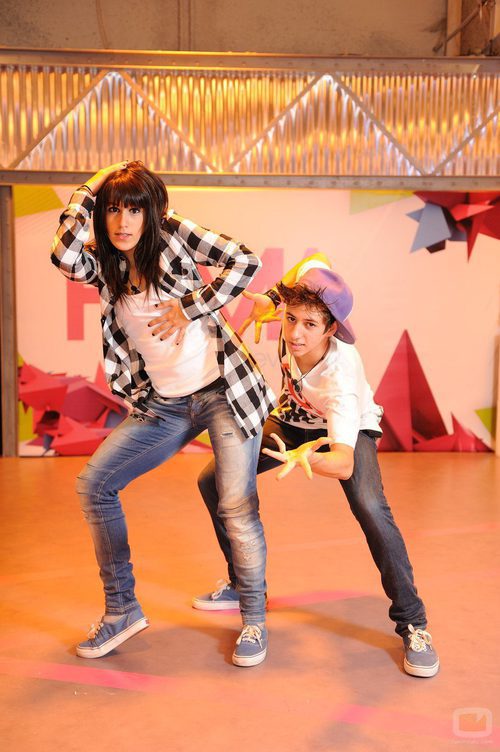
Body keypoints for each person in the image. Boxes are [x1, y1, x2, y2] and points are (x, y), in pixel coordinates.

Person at [51, 160, 275, 665]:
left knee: (235, 505)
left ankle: (254, 619)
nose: (123, 221)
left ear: (151, 213)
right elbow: (62, 255)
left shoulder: (172, 235)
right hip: (165, 405)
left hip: (223, 392)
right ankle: (122, 610)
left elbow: (245, 260)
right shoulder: (104, 263)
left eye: (134, 210)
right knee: (95, 485)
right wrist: (91, 188)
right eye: (113, 209)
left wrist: (190, 305)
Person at [194, 253, 439, 677]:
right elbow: (314, 259)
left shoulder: (340, 378)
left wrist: (306, 455)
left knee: (371, 508)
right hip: (294, 419)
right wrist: (272, 298)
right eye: (291, 320)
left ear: (331, 329)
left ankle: (414, 623)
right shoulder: (291, 325)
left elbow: (342, 463)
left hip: (347, 430)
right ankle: (242, 584)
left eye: (310, 325)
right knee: (213, 480)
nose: (295, 333)